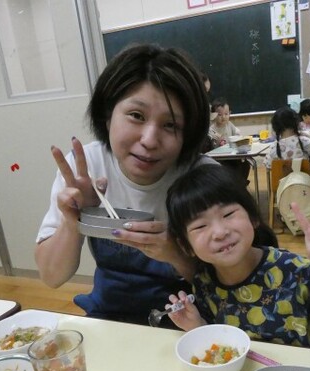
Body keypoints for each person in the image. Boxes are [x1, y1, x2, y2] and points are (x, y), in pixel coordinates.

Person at [35, 43, 216, 325]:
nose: (149, 140)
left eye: (170, 125)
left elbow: (237, 281)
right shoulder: (87, 167)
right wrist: (74, 221)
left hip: (190, 323)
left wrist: (176, 254)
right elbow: (51, 276)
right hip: (110, 319)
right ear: (108, 115)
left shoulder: (204, 179)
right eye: (136, 116)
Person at [164, 164, 310, 347]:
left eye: (228, 214)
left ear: (253, 217)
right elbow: (222, 345)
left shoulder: (293, 270)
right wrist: (197, 326)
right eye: (200, 226)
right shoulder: (204, 281)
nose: (220, 232)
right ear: (186, 245)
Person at [208, 97, 250, 185]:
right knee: (229, 168)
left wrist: (240, 140)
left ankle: (240, 184)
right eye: (219, 115)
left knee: (245, 165)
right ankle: (235, 184)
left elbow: (237, 136)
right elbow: (211, 147)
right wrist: (217, 142)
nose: (223, 117)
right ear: (213, 115)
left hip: (231, 156)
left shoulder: (229, 125)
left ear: (230, 113)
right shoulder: (212, 129)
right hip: (220, 159)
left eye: (226, 114)